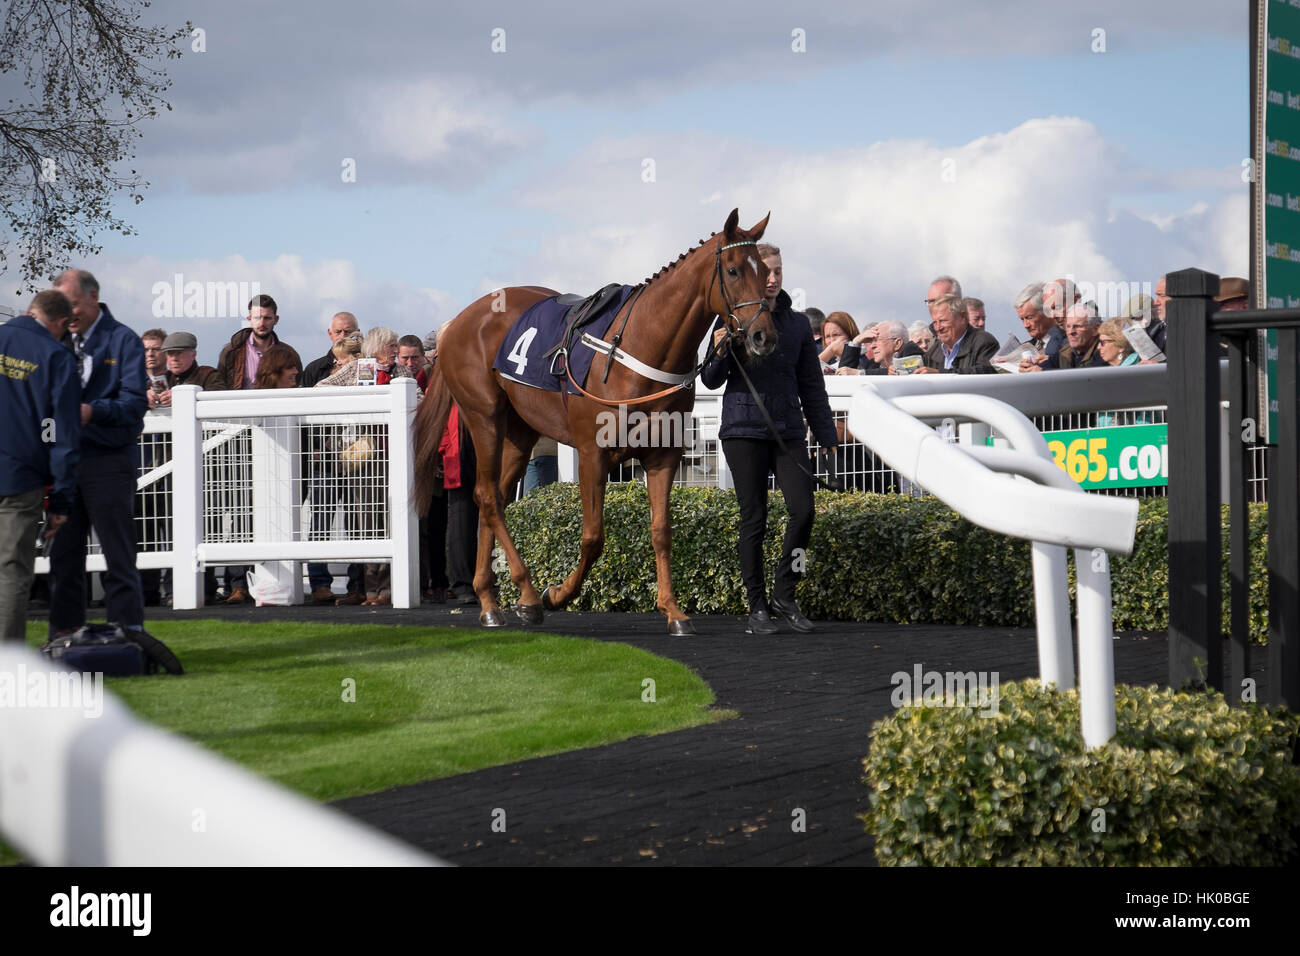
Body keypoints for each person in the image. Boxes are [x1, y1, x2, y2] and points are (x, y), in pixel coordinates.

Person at [701, 242, 838, 635]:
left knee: (804, 510)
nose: (773, 278)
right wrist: (724, 346)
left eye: (777, 271)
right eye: (766, 271)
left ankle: (785, 594)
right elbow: (710, 379)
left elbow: (812, 384)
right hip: (743, 431)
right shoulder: (728, 319)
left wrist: (826, 432)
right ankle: (756, 605)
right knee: (754, 519)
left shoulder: (794, 323)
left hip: (788, 431)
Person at [48, 269, 150, 641]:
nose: (67, 312)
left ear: (94, 296)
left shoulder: (123, 340)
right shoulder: (56, 340)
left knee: (118, 556)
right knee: (63, 558)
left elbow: (135, 404)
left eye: (72, 303)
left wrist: (94, 412)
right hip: (63, 463)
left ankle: (128, 636)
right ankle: (63, 636)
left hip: (109, 461)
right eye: (61, 305)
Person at [0, 290, 81, 642]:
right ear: (62, 322)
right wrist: (61, 500)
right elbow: (63, 435)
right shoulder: (55, 355)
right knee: (11, 572)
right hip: (19, 478)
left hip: (17, 473)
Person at [212, 295, 303, 604]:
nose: (262, 322)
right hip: (240, 436)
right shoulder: (231, 352)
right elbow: (222, 391)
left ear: (275, 320)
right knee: (239, 507)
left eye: (267, 317)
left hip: (278, 434)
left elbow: (296, 389)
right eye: (257, 317)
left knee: (276, 504)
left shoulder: (288, 353)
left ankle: (276, 582)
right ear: (249, 319)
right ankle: (237, 583)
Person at [917, 294, 998, 374]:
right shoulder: (934, 350)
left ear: (962, 317)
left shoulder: (984, 342)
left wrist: (940, 374)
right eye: (935, 322)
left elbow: (984, 373)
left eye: (943, 321)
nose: (938, 328)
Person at [300, 311, 359, 388]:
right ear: (330, 333)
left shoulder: (370, 365)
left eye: (348, 332)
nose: (343, 336)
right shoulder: (313, 370)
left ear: (357, 333)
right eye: (338, 332)